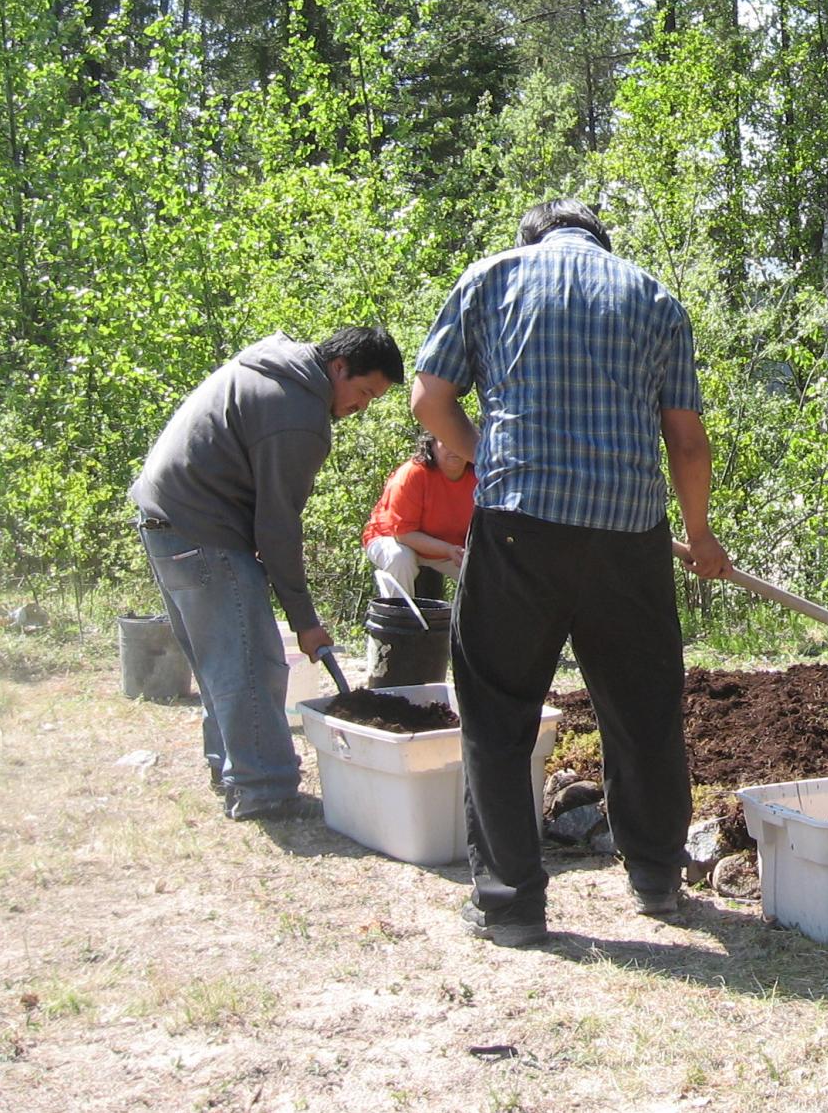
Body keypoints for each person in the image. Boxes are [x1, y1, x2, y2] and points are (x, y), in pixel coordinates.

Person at [413, 198, 729, 947]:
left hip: (519, 524)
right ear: (601, 242)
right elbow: (686, 443)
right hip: (628, 534)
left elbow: (430, 400)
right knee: (643, 708)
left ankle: (510, 906)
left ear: (534, 236)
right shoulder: (653, 297)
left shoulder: (491, 279)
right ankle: (656, 879)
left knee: (498, 712)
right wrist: (700, 535)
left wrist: (488, 459)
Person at [130, 327, 404, 821]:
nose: (360, 408)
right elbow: (277, 527)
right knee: (250, 662)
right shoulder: (297, 415)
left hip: (163, 518)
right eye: (363, 393)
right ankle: (265, 788)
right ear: (339, 368)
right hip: (200, 529)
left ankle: (233, 769)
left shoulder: (272, 365)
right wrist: (303, 619)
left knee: (219, 661)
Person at [361, 431, 476, 598]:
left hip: (450, 550)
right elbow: (403, 535)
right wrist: (448, 549)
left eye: (461, 441)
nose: (454, 448)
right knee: (400, 558)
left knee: (487, 574)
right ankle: (398, 618)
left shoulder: (481, 479)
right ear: (432, 445)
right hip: (392, 538)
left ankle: (472, 624)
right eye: (446, 441)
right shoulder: (412, 473)